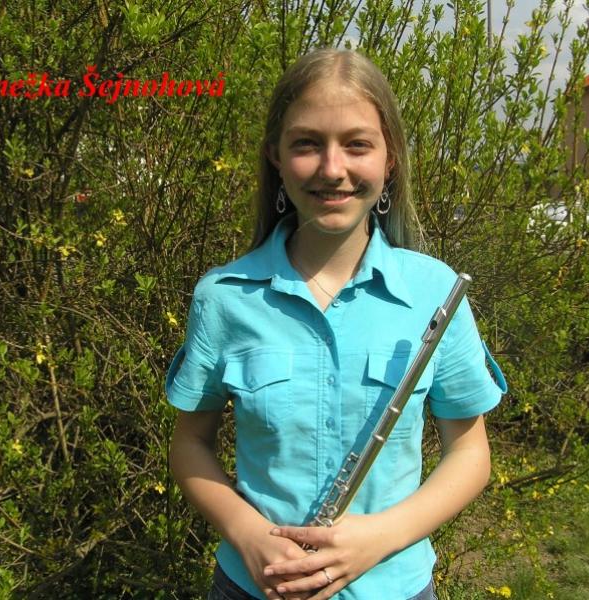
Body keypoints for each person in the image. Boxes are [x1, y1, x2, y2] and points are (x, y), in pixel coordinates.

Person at [166, 48, 507, 600]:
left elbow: (470, 455)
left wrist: (378, 538)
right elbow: (189, 445)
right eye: (306, 143)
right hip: (254, 587)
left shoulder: (434, 290)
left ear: (390, 158)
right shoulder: (223, 298)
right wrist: (248, 535)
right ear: (276, 157)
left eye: (357, 144)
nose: (332, 169)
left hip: (394, 588)